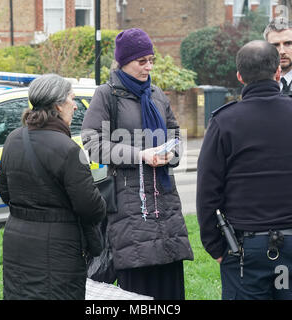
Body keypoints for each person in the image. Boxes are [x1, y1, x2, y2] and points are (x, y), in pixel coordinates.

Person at [196, 40, 292, 300]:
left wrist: (215, 247)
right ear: (277, 73)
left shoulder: (223, 122)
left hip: (244, 250)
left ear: (240, 77)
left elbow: (207, 191)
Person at [81, 28, 194, 300]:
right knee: (136, 288)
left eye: (151, 60)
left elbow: (175, 133)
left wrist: (171, 153)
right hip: (129, 206)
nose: (149, 66)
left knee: (168, 282)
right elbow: (92, 142)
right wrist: (140, 155)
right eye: (141, 61)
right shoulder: (106, 95)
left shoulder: (157, 94)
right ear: (123, 62)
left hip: (165, 205)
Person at [0, 74, 106, 300]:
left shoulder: (13, 139)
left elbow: (5, 193)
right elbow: (91, 208)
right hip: (57, 250)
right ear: (58, 105)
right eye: (72, 99)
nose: (76, 106)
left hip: (17, 243)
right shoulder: (68, 150)